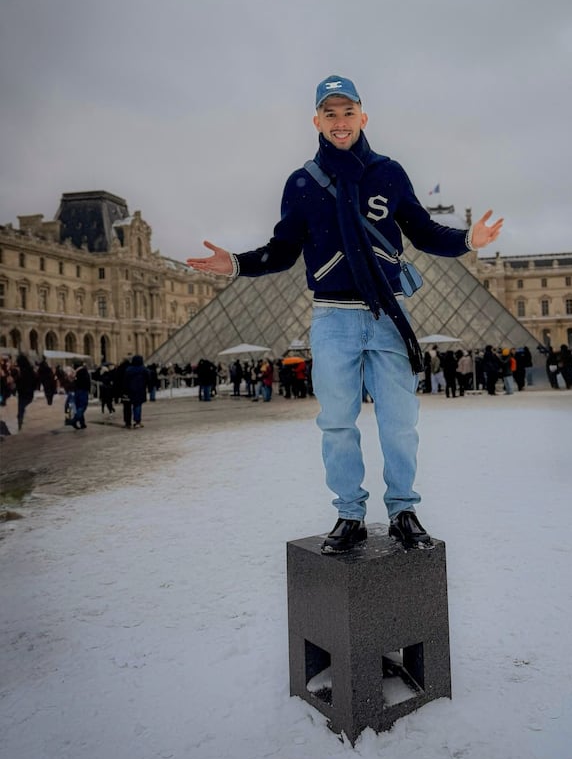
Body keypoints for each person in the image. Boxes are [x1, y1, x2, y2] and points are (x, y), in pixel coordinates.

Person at [187, 74, 502, 552]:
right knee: (336, 423)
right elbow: (282, 252)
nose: (339, 121)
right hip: (332, 319)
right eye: (329, 113)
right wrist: (235, 263)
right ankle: (350, 513)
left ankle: (403, 510)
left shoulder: (389, 173)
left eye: (347, 112)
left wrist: (466, 240)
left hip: (387, 314)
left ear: (363, 116)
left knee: (400, 422)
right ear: (316, 120)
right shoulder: (301, 184)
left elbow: (422, 231)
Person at [124, 354, 150, 428]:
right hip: (140, 389)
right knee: (138, 405)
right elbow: (148, 378)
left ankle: (129, 421)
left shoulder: (128, 369)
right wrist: (146, 385)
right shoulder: (143, 369)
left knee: (130, 405)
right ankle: (137, 421)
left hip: (130, 390)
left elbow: (125, 380)